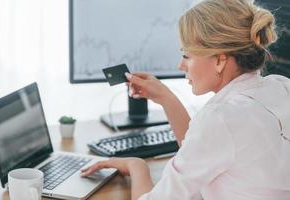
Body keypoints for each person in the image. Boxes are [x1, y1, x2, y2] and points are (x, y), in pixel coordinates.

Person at [81, 0, 290, 199]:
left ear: (219, 59)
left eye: (187, 55)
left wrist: (137, 166)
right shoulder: (281, 86)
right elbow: (203, 153)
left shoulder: (220, 117)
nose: (181, 65)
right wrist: (165, 97)